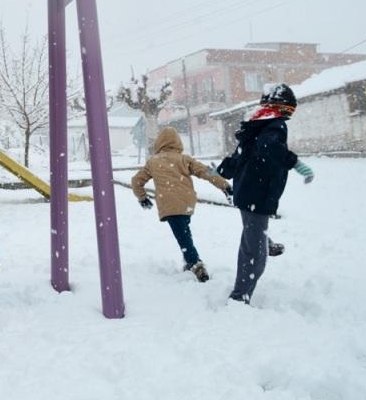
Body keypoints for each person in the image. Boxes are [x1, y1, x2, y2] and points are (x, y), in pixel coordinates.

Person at [218, 83, 314, 304]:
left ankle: (264, 240)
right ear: (283, 107)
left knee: (252, 234)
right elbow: (269, 147)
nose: (289, 115)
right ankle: (239, 298)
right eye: (290, 109)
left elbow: (240, 154)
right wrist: (295, 163)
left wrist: (223, 170)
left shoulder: (256, 124)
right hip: (258, 195)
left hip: (247, 193)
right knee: (254, 253)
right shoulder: (275, 125)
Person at [131, 127, 233, 282]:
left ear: (159, 143)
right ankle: (188, 261)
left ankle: (196, 264)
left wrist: (142, 198)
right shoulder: (184, 159)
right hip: (187, 203)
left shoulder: (153, 162)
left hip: (169, 204)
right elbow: (207, 171)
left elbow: (136, 181)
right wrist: (224, 185)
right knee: (184, 232)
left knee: (183, 236)